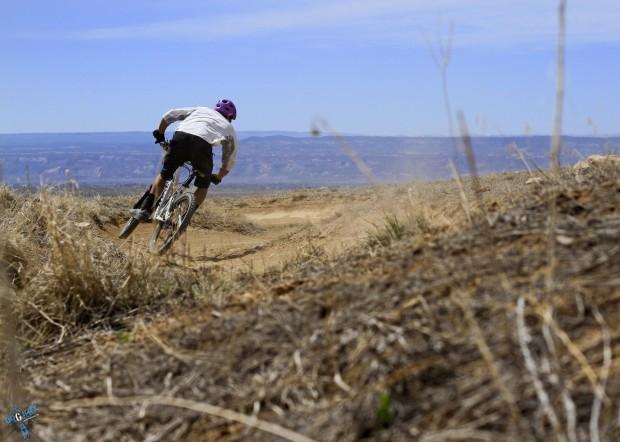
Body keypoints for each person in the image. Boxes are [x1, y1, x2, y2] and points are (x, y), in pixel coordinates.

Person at [130, 99, 238, 221]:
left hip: (181, 138)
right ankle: (184, 219)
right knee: (203, 187)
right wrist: (219, 176)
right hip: (203, 149)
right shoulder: (229, 127)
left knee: (165, 175)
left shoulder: (200, 110)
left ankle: (144, 210)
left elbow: (170, 115)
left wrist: (160, 133)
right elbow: (230, 157)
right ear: (230, 116)